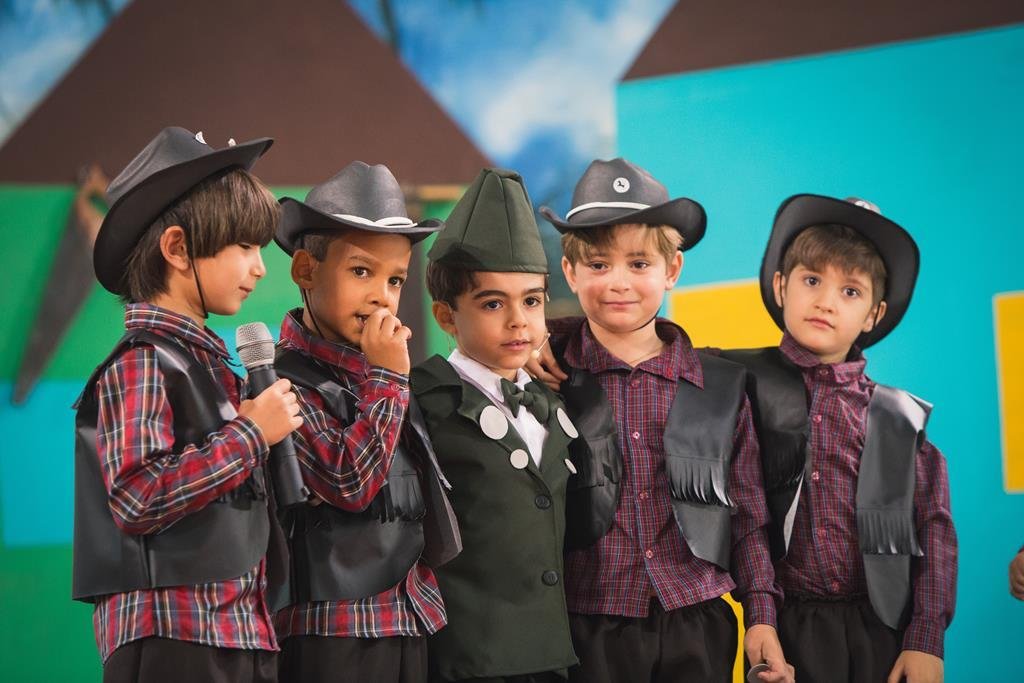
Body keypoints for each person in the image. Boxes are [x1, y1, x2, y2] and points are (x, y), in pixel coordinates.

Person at [530, 158, 791, 682]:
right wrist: (537, 335)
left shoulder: (719, 388)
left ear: (672, 270)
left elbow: (747, 515)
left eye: (639, 263)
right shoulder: (545, 374)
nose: (618, 283)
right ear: (570, 272)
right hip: (585, 620)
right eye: (598, 265)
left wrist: (761, 615)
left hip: (697, 617)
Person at [72, 126, 301, 682]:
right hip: (174, 636)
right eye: (244, 246)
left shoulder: (210, 366)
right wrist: (251, 434)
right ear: (177, 248)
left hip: (237, 631)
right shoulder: (144, 360)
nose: (260, 266)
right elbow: (136, 496)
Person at [721, 195, 957, 683]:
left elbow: (933, 530)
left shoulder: (898, 418)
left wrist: (925, 640)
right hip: (783, 626)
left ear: (874, 314)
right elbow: (650, 347)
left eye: (850, 291)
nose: (826, 301)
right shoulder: (737, 382)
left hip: (882, 630)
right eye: (812, 280)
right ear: (781, 285)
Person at [270, 161, 458, 683]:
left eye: (395, 279)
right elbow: (349, 482)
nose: (381, 295)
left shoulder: (379, 373)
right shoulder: (281, 384)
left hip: (409, 617)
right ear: (305, 271)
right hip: (330, 634)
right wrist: (390, 378)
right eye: (361, 272)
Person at [410, 168, 580, 682]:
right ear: (445, 316)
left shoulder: (551, 401)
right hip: (467, 659)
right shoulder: (423, 400)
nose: (518, 320)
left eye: (531, 300)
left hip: (554, 656)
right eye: (492, 303)